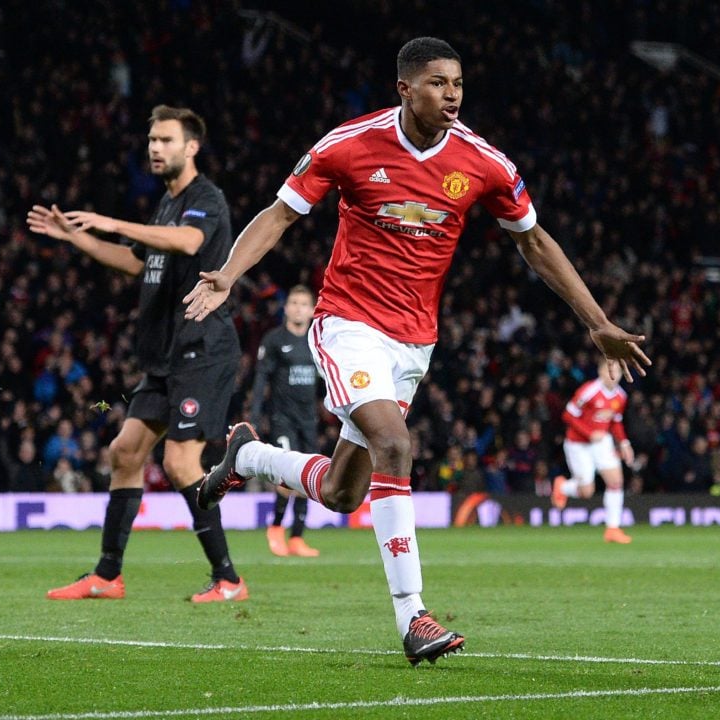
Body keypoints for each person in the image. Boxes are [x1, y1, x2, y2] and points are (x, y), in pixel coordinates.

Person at [183, 38, 650, 664]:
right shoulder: (347, 144)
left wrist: (595, 321)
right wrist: (228, 272)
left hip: (414, 341)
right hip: (348, 323)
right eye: (436, 82)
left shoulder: (483, 162)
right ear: (404, 88)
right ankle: (414, 617)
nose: (451, 93)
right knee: (396, 444)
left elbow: (534, 242)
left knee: (346, 494)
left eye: (457, 81)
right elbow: (280, 215)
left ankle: (252, 456)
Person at [27, 105, 247, 603]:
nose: (154, 147)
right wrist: (77, 237)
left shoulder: (204, 199)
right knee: (124, 452)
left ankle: (229, 579)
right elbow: (135, 261)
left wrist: (110, 220)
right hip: (166, 356)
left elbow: (189, 243)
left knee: (180, 463)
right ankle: (107, 576)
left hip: (203, 348)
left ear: (191, 147)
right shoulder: (165, 205)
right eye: (151, 139)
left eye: (165, 139)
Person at [251, 284, 321, 557]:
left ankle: (297, 538)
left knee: (308, 479)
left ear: (313, 310)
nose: (298, 308)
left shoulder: (317, 342)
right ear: (286, 307)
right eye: (293, 303)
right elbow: (260, 380)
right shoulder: (274, 340)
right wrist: (255, 417)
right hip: (282, 419)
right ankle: (277, 528)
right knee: (286, 477)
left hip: (309, 420)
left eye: (304, 304)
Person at [551, 361, 636, 543]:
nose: (613, 375)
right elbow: (568, 414)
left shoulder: (620, 396)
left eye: (618, 371)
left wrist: (624, 443)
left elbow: (616, 421)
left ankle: (612, 529)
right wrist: (589, 433)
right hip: (578, 444)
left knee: (616, 481)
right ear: (600, 371)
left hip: (602, 442)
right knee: (586, 491)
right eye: (609, 370)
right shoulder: (589, 391)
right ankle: (563, 486)